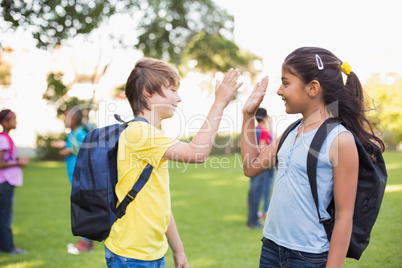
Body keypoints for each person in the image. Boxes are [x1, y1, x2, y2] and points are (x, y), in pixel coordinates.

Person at [241, 47, 384, 267]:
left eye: (286, 83)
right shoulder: (290, 131)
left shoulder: (339, 140)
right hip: (271, 248)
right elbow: (251, 167)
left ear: (312, 88)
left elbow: (345, 217)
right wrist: (248, 115)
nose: (279, 91)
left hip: (308, 257)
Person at [104, 58, 242, 268]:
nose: (179, 98)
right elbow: (198, 153)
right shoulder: (139, 134)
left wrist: (178, 251)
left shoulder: (152, 134)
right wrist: (219, 102)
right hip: (131, 256)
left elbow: (160, 202)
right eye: (172, 90)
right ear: (148, 91)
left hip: (151, 253)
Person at [52, 107, 93, 254]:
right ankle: (86, 242)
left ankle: (86, 243)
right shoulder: (73, 134)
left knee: (82, 211)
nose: (65, 120)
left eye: (66, 117)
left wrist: (69, 150)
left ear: (74, 118)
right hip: (77, 179)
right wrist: (65, 146)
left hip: (82, 178)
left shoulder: (79, 133)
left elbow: (86, 148)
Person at [0, 109, 29, 255]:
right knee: (5, 216)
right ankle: (9, 248)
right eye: (13, 120)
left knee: (4, 215)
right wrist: (18, 163)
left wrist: (18, 161)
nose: (15, 122)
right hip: (4, 182)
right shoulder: (3, 139)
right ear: (5, 122)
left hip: (7, 182)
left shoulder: (6, 138)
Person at [247, 108, 275, 228]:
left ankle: (252, 218)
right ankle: (253, 221)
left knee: (253, 192)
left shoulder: (253, 130)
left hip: (251, 164)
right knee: (258, 192)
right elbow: (262, 149)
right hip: (261, 165)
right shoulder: (263, 131)